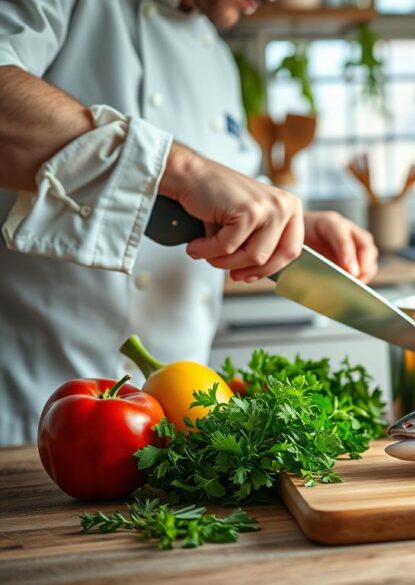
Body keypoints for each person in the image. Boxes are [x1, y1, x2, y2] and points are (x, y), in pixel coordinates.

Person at [0, 0, 379, 445]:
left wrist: (290, 228)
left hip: (180, 440)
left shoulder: (216, 59)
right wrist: (186, 170)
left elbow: (217, 194)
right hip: (36, 421)